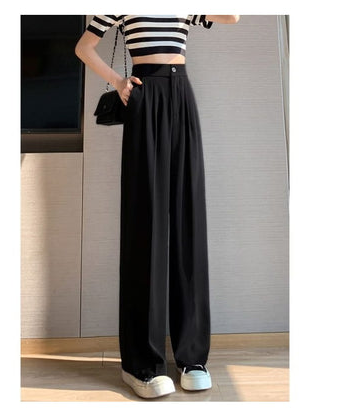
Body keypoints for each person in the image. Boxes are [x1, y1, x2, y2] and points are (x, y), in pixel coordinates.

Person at [75, 14, 240, 399]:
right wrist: (118, 81)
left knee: (188, 222)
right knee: (144, 223)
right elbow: (83, 47)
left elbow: (232, 15)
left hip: (182, 93)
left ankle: (192, 358)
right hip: (144, 93)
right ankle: (141, 365)